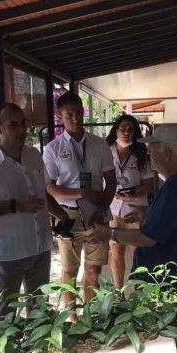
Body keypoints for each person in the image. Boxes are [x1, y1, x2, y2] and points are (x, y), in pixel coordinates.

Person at [0, 103, 68, 316]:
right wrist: (14, 205)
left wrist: (61, 214)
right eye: (13, 125)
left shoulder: (33, 155)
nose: (21, 130)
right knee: (6, 319)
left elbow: (42, 193)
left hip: (39, 249)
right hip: (7, 255)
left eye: (23, 124)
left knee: (39, 315)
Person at [93, 124, 177, 284]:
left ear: (167, 153)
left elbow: (148, 238)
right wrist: (148, 215)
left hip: (164, 282)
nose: (148, 155)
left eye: (152, 150)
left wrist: (110, 234)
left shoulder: (175, 187)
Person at [43, 92, 116, 306]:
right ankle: (71, 317)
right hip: (68, 215)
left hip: (97, 213)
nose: (75, 118)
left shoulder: (99, 144)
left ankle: (90, 316)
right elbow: (50, 188)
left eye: (78, 113)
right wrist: (82, 193)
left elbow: (111, 182)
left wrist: (102, 210)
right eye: (69, 114)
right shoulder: (53, 149)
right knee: (69, 272)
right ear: (60, 116)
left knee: (93, 270)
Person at [106, 115, 154, 288]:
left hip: (135, 208)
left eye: (130, 129)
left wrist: (132, 195)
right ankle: (118, 291)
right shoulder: (106, 151)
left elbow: (148, 184)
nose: (126, 132)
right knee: (116, 251)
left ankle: (139, 289)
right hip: (113, 208)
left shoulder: (141, 154)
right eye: (123, 129)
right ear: (116, 131)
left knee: (137, 251)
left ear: (135, 132)